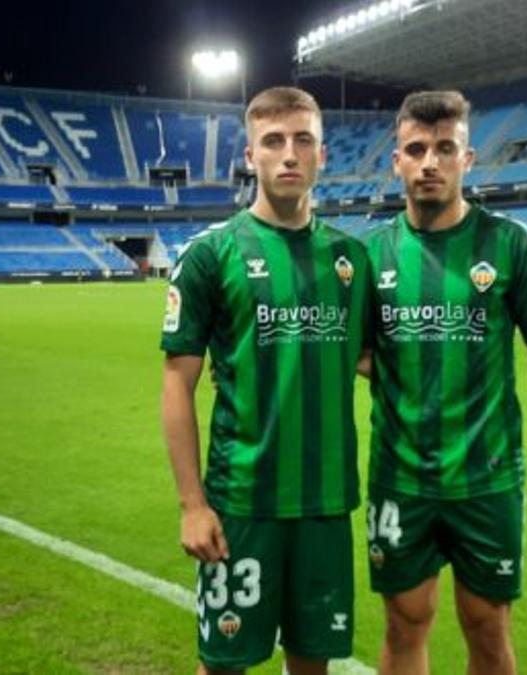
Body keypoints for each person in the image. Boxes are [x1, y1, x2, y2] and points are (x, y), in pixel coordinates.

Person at [362, 90, 527, 675]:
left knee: (487, 629)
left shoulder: (509, 244)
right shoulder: (372, 256)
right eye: (416, 149)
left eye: (444, 148)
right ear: (397, 162)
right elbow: (352, 353)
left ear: (468, 158)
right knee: (403, 624)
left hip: (486, 478)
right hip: (400, 477)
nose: (429, 162)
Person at [160, 86, 370, 675]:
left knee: (312, 663)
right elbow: (177, 384)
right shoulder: (211, 254)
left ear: (322, 155)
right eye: (273, 141)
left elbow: (372, 360)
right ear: (250, 156)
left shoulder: (351, 259)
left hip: (326, 504)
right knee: (224, 663)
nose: (289, 154)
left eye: (303, 140)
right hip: (241, 503)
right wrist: (192, 504)